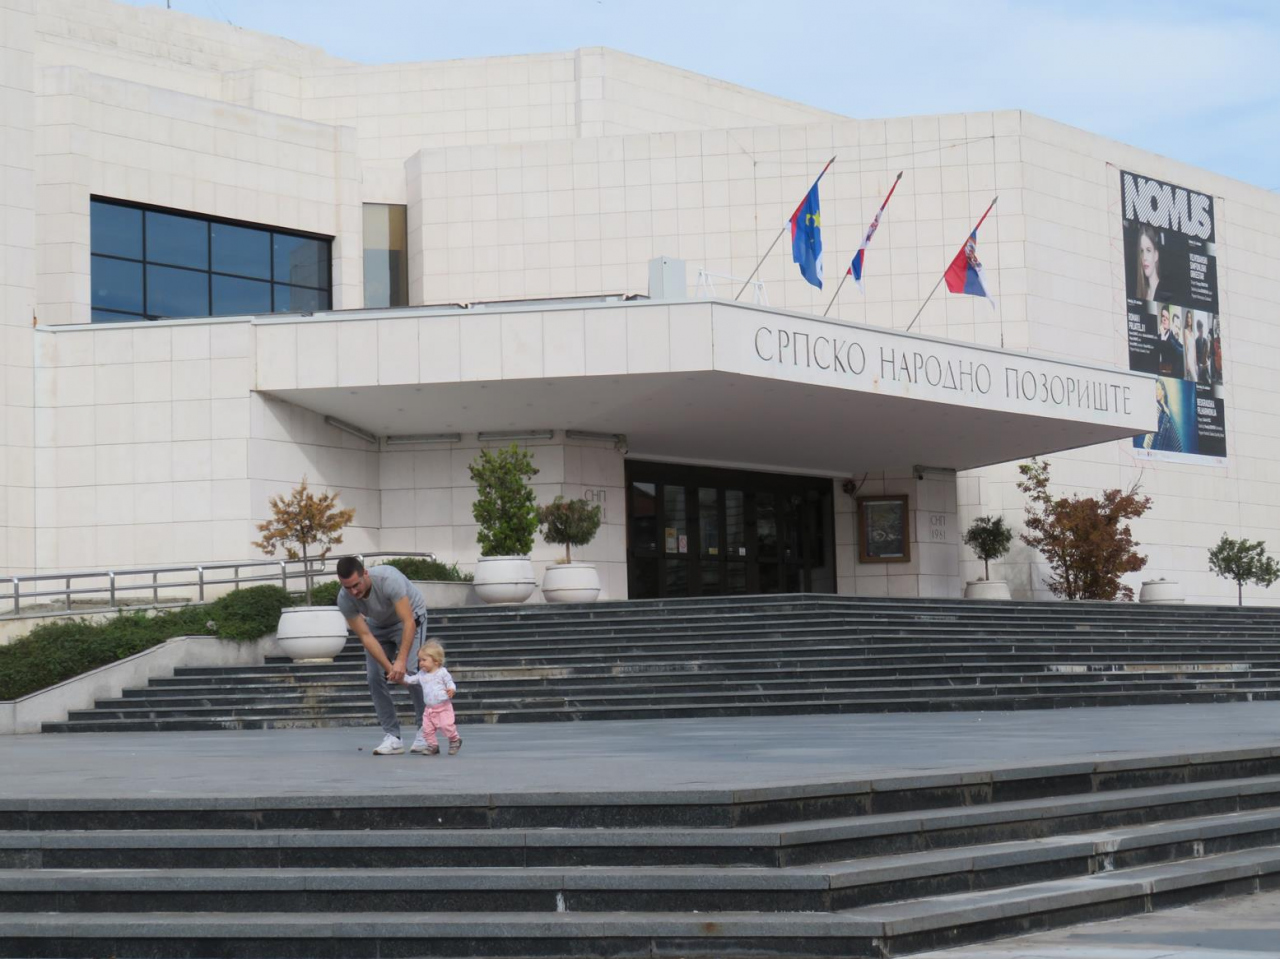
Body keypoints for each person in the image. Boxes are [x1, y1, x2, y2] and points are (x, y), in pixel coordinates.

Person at [336, 556, 428, 756]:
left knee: (413, 672)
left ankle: (425, 730)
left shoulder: (388, 579)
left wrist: (401, 661)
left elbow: (408, 622)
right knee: (374, 677)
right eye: (347, 587)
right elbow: (366, 636)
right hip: (377, 626)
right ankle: (393, 736)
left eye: (356, 585)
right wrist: (389, 668)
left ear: (365, 573)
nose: (354, 592)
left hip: (410, 619)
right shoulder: (344, 599)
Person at [395, 639, 462, 757]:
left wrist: (451, 689)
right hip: (429, 709)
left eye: (424, 660)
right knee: (427, 729)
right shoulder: (422, 674)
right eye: (419, 660)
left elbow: (450, 682)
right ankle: (432, 745)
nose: (421, 663)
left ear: (436, 661)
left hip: (443, 707)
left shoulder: (442, 672)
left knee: (446, 726)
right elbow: (411, 680)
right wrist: (401, 676)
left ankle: (454, 739)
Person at [1144, 379, 1183, 453]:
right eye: (1154, 389)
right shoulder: (1154, 406)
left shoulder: (1167, 412)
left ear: (1163, 392)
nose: (1155, 392)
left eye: (1158, 389)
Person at [1133, 224, 1163, 302]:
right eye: (1142, 251)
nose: (1144, 257)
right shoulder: (1141, 293)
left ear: (1156, 255)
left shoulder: (1164, 291)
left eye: (1148, 250)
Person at [1156, 306, 1183, 377]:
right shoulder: (1157, 338)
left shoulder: (1176, 343)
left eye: (1167, 318)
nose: (1164, 319)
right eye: (1163, 316)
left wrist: (1163, 337)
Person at [1182, 311, 1198, 382]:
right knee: (1195, 379)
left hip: (1193, 359)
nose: (1189, 319)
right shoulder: (1185, 331)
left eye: (1190, 318)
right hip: (1189, 358)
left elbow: (1194, 349)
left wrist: (1196, 363)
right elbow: (1186, 348)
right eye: (1188, 317)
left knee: (1193, 379)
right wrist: (1187, 363)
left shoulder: (1193, 333)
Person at [1195, 319, 1211, 384]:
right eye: (1200, 330)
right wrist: (1200, 365)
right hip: (1200, 368)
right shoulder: (1196, 341)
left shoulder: (1205, 340)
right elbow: (1196, 356)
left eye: (1202, 329)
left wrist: (1207, 361)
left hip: (1206, 366)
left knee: (1208, 382)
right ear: (1197, 330)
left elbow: (1208, 354)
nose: (1202, 332)